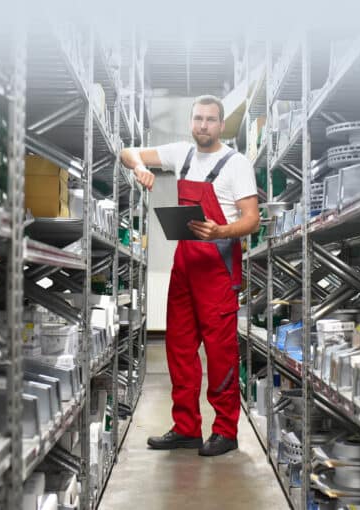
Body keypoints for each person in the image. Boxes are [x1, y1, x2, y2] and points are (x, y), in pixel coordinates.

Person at [120, 95, 259, 456]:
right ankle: (186, 428)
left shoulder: (236, 164)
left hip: (217, 268)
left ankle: (226, 431)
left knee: (220, 354)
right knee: (179, 349)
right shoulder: (180, 154)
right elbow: (127, 151)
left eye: (211, 120)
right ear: (191, 121)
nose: (203, 125)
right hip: (184, 267)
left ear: (222, 124)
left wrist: (221, 231)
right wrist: (138, 168)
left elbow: (251, 219)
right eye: (198, 118)